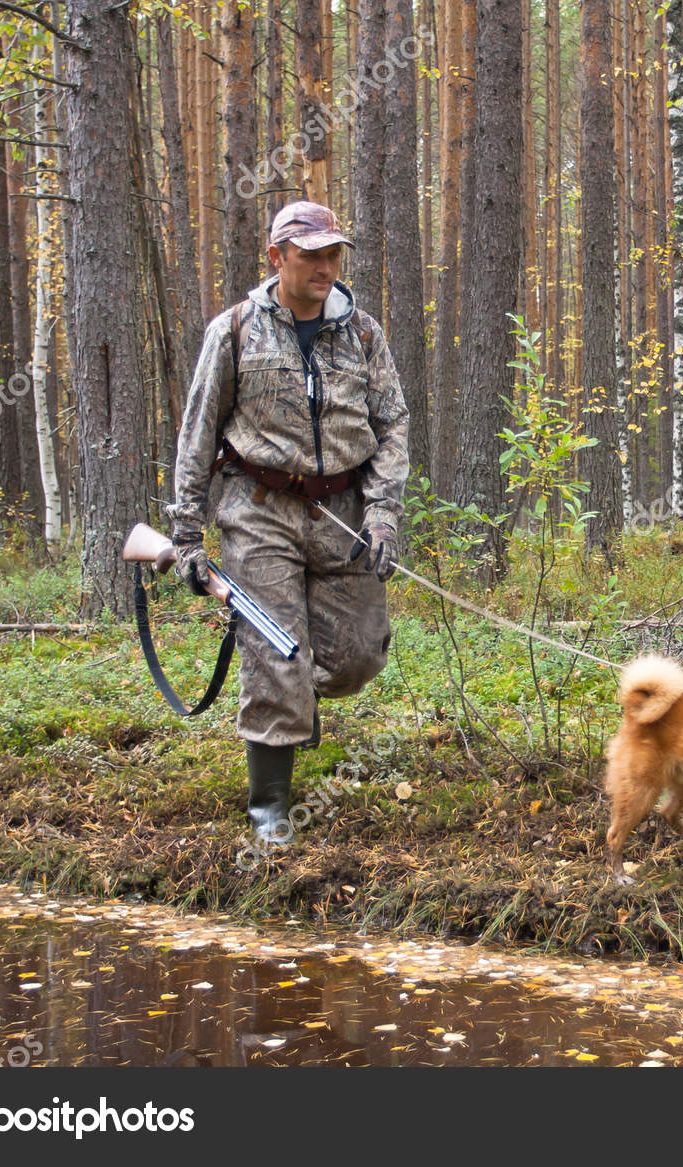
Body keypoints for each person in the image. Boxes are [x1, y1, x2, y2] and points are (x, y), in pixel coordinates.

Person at [166, 200, 408, 844]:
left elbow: (392, 426)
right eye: (311, 255)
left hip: (344, 513)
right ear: (277, 258)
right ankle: (269, 804)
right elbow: (198, 432)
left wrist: (382, 517)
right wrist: (186, 534)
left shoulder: (363, 334)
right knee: (276, 649)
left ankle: (297, 703)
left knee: (357, 656)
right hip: (258, 510)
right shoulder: (236, 330)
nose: (325, 267)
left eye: (333, 255)